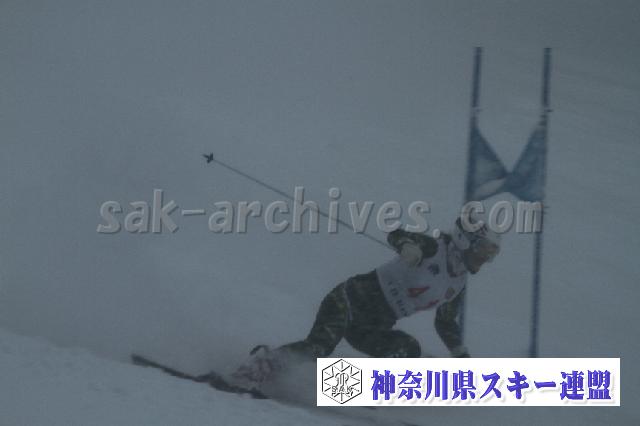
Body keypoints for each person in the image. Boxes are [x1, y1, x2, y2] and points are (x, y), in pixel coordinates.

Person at [230, 215, 501, 390]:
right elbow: (397, 234)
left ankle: (345, 391)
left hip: (372, 326)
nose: (484, 259)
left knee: (408, 349)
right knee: (319, 347)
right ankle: (255, 369)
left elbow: (446, 321)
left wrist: (461, 356)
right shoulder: (433, 248)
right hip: (348, 301)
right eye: (482, 250)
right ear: (464, 241)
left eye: (490, 254)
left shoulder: (459, 283)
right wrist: (407, 246)